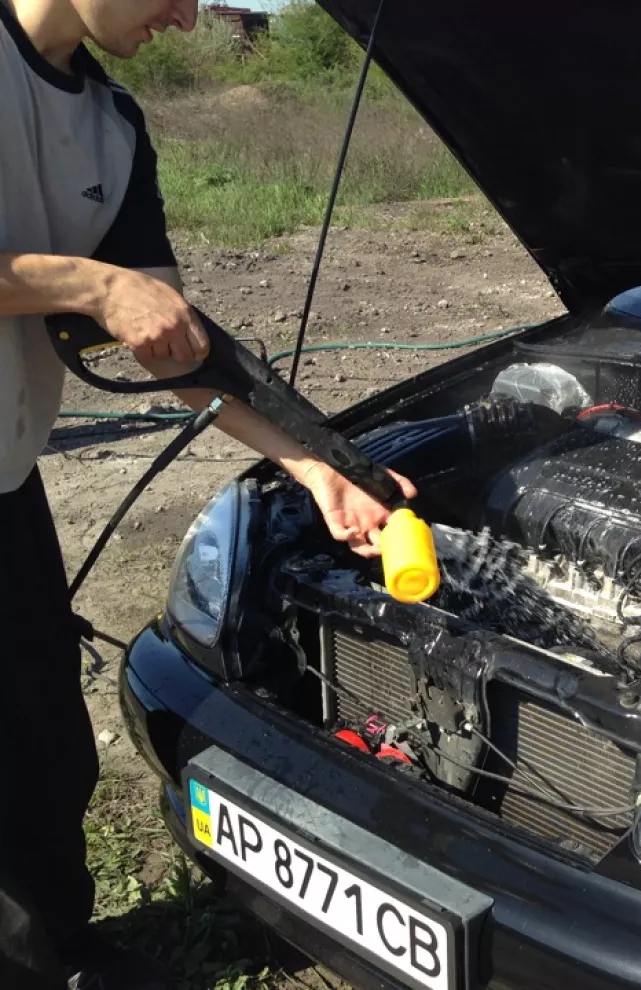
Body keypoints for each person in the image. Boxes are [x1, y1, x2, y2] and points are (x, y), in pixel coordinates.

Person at [0, 0, 418, 985]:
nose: (189, 18)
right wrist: (92, 285)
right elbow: (114, 298)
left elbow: (176, 344)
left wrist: (320, 466)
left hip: (8, 480)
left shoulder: (112, 123)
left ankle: (64, 953)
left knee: (46, 744)